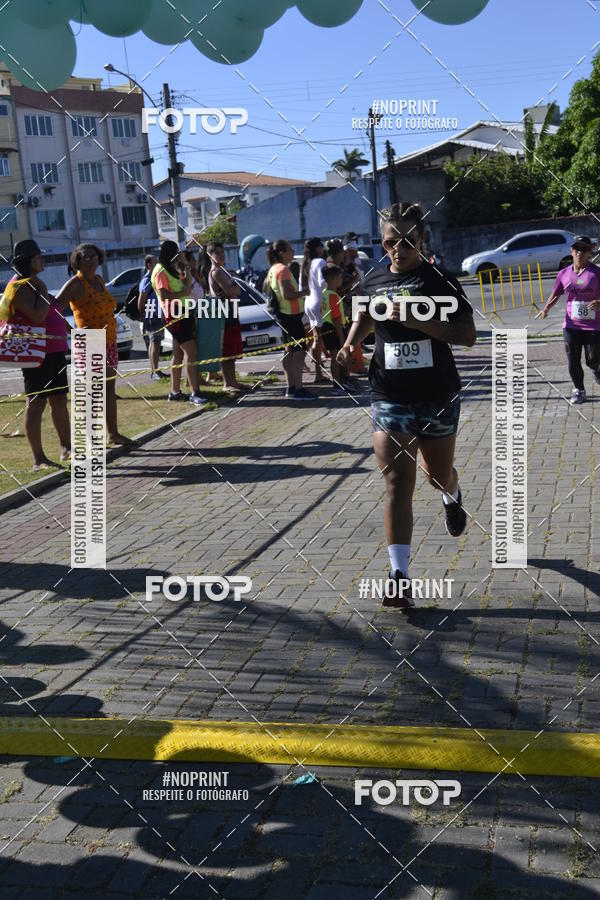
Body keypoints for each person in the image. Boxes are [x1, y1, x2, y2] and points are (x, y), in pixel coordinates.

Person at [337, 202, 476, 610]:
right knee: (398, 482)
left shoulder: (439, 280)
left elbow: (467, 334)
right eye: (390, 241)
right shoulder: (373, 279)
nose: (398, 248)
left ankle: (452, 492)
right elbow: (364, 315)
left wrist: (420, 323)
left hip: (436, 394)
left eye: (407, 241)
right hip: (388, 393)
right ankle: (399, 576)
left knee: (435, 476)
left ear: (422, 240)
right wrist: (349, 344)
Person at [1, 239, 70, 469]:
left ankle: (66, 448)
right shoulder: (22, 286)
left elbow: (52, 313)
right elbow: (38, 316)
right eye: (38, 256)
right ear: (27, 261)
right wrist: (41, 288)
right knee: (36, 402)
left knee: (59, 399)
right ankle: (39, 458)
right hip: (36, 354)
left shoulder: (33, 283)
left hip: (54, 351)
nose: (42, 259)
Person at [56, 243, 134, 446]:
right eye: (85, 257)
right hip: (89, 342)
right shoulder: (76, 283)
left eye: (94, 256)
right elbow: (53, 309)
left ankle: (113, 433)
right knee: (91, 392)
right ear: (77, 262)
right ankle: (89, 440)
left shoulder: (99, 280)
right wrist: (72, 331)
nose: (91, 260)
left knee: (109, 389)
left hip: (108, 341)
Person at [541, 235, 600, 404]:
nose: (579, 253)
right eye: (576, 249)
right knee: (572, 359)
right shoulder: (563, 274)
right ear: (571, 251)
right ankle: (579, 391)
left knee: (593, 361)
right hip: (571, 324)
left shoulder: (596, 273)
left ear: (590, 252)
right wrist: (546, 308)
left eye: (583, 249)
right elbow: (555, 294)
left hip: (594, 326)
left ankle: (596, 370)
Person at [150, 240, 207, 405]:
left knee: (178, 354)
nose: (178, 255)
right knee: (192, 352)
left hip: (184, 311)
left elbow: (188, 285)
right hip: (174, 314)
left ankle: (174, 391)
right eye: (176, 252)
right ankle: (195, 393)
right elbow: (163, 295)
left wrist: (186, 266)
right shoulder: (160, 270)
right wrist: (183, 292)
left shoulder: (172, 269)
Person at [266, 239, 314, 400]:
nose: (293, 252)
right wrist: (305, 292)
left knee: (289, 351)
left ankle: (291, 387)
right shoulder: (283, 270)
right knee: (299, 352)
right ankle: (298, 388)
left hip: (283, 315)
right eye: (290, 250)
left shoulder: (273, 269)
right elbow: (287, 294)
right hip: (290, 316)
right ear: (281, 252)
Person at [207, 241, 246, 393]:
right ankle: (227, 383)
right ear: (210, 256)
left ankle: (233, 382)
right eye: (218, 253)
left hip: (231, 311)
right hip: (224, 313)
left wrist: (234, 290)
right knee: (227, 351)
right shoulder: (216, 272)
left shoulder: (224, 271)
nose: (222, 255)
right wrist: (234, 289)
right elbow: (232, 290)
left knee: (233, 352)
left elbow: (236, 290)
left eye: (223, 252)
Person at [320, 264, 350, 395]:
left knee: (335, 356)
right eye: (340, 277)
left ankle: (341, 382)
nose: (341, 280)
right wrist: (342, 336)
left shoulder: (324, 294)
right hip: (334, 328)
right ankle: (337, 385)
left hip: (326, 327)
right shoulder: (333, 296)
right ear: (333, 279)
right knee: (336, 356)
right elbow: (336, 318)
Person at [300, 237, 327, 383]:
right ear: (317, 248)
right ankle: (319, 373)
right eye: (321, 246)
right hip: (319, 302)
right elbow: (323, 282)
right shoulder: (320, 262)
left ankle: (318, 372)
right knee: (320, 340)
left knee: (316, 338)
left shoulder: (305, 264)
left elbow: (301, 288)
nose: (323, 249)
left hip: (308, 303)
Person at [138, 253, 167, 382]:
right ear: (149, 264)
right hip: (151, 314)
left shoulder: (155, 277)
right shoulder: (147, 280)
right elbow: (141, 299)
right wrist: (143, 314)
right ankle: (154, 371)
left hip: (157, 313)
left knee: (156, 342)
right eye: (155, 262)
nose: (158, 264)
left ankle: (155, 370)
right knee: (154, 342)